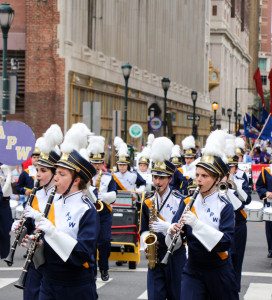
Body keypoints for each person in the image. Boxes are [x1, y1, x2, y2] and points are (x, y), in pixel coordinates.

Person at [26, 123, 99, 300]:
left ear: (76, 180)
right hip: (49, 281)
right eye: (56, 172)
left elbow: (81, 253)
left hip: (76, 284)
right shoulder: (53, 203)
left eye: (62, 174)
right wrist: (36, 244)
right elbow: (47, 243)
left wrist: (53, 233)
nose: (56, 177)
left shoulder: (86, 209)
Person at [167, 129, 239, 300]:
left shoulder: (225, 206)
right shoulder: (187, 202)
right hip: (193, 267)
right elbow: (176, 240)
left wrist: (197, 225)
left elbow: (225, 242)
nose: (198, 179)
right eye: (197, 175)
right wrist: (172, 232)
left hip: (218, 268)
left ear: (216, 179)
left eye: (205, 176)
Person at [12, 124, 63, 300]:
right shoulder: (35, 194)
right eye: (37, 170)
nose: (38, 175)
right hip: (36, 260)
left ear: (55, 172)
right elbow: (30, 225)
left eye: (43, 170)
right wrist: (21, 228)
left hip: (55, 261)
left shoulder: (62, 197)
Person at [140, 137, 186, 300]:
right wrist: (147, 241)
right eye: (155, 177)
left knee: (177, 296)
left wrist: (166, 227)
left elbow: (184, 233)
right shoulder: (147, 201)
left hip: (176, 256)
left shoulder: (180, 200)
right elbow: (143, 229)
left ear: (169, 179)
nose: (157, 182)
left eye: (161, 178)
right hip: (156, 256)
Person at [88, 135, 117, 281]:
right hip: (89, 213)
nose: (97, 166)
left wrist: (101, 196)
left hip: (104, 212)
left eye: (99, 163)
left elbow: (114, 194)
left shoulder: (108, 177)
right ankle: (92, 270)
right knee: (91, 242)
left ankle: (104, 268)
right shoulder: (85, 177)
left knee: (105, 241)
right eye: (94, 163)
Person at [225, 136, 251, 292]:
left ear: (236, 167)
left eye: (232, 167)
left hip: (239, 223)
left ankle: (234, 289)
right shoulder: (217, 180)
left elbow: (247, 200)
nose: (230, 170)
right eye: (227, 167)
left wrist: (234, 185)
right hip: (223, 223)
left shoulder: (242, 178)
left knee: (237, 258)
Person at [256, 165, 272, 258]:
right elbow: (259, 185)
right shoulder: (266, 171)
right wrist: (266, 193)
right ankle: (271, 249)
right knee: (270, 228)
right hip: (270, 204)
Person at [0, 165, 13, 259]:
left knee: (5, 229)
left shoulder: (6, 168)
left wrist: (8, 175)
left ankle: (5, 254)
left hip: (4, 203)